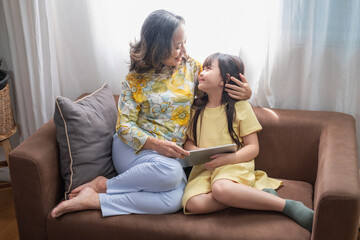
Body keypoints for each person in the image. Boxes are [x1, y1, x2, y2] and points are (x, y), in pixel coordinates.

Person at [51, 9, 252, 218]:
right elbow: (124, 127)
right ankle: (105, 185)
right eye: (177, 46)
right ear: (159, 46)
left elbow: (218, 82)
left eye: (184, 42)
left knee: (175, 199)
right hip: (133, 149)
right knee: (171, 173)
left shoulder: (191, 68)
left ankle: (97, 200)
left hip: (170, 157)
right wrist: (157, 145)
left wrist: (246, 93)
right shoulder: (134, 81)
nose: (184, 50)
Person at [181, 52, 314, 232]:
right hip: (205, 168)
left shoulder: (240, 107)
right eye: (203, 68)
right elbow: (188, 141)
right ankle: (253, 196)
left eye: (208, 68)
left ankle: (285, 205)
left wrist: (226, 159)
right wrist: (197, 152)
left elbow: (253, 148)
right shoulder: (196, 108)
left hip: (234, 165)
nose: (202, 73)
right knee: (193, 204)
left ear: (224, 80)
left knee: (220, 189)